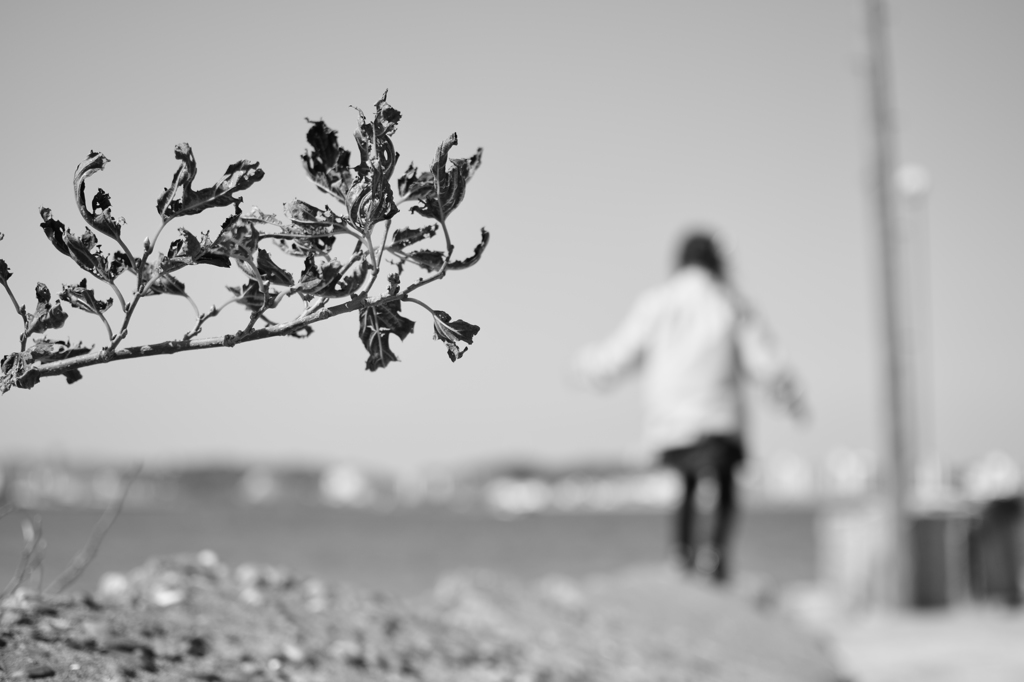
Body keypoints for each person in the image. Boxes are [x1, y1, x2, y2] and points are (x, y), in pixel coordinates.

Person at [573, 230, 806, 582]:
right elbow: (764, 359)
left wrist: (589, 368)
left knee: (685, 483)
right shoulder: (729, 301)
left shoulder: (656, 302)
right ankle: (714, 556)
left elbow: (621, 352)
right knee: (722, 485)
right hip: (717, 415)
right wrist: (788, 395)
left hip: (670, 417)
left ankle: (680, 555)